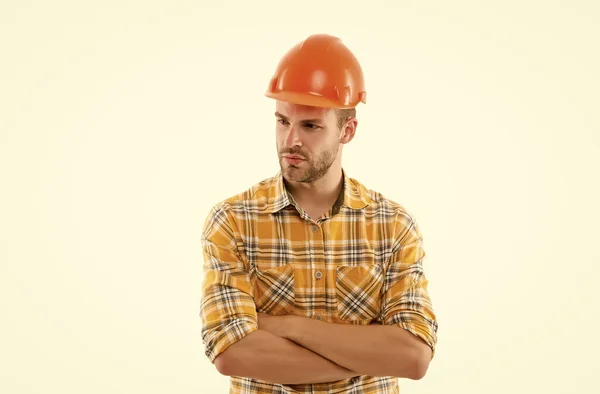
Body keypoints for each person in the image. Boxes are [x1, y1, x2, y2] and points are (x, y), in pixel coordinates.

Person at [200, 33, 438, 394]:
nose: (290, 140)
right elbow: (230, 352)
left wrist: (289, 327)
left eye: (310, 126)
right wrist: (367, 355)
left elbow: (413, 357)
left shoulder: (393, 226)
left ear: (348, 130)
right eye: (282, 121)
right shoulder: (233, 221)